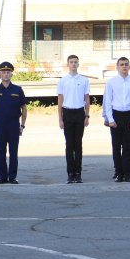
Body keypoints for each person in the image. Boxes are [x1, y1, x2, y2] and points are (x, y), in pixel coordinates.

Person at [103, 57, 130, 182]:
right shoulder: (111, 82)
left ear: (129, 67)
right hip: (116, 115)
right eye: (121, 65)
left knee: (129, 147)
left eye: (126, 64)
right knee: (116, 146)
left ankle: (128, 173)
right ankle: (119, 172)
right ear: (117, 67)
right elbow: (108, 101)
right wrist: (110, 118)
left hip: (129, 115)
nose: (124, 67)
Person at [57, 55, 90, 184]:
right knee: (69, 144)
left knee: (78, 144)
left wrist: (87, 115)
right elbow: (60, 100)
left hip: (79, 113)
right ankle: (70, 173)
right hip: (68, 112)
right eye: (71, 62)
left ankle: (78, 173)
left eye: (76, 62)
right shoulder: (63, 80)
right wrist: (60, 118)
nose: (74, 64)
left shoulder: (84, 80)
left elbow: (87, 99)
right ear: (68, 64)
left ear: (78, 64)